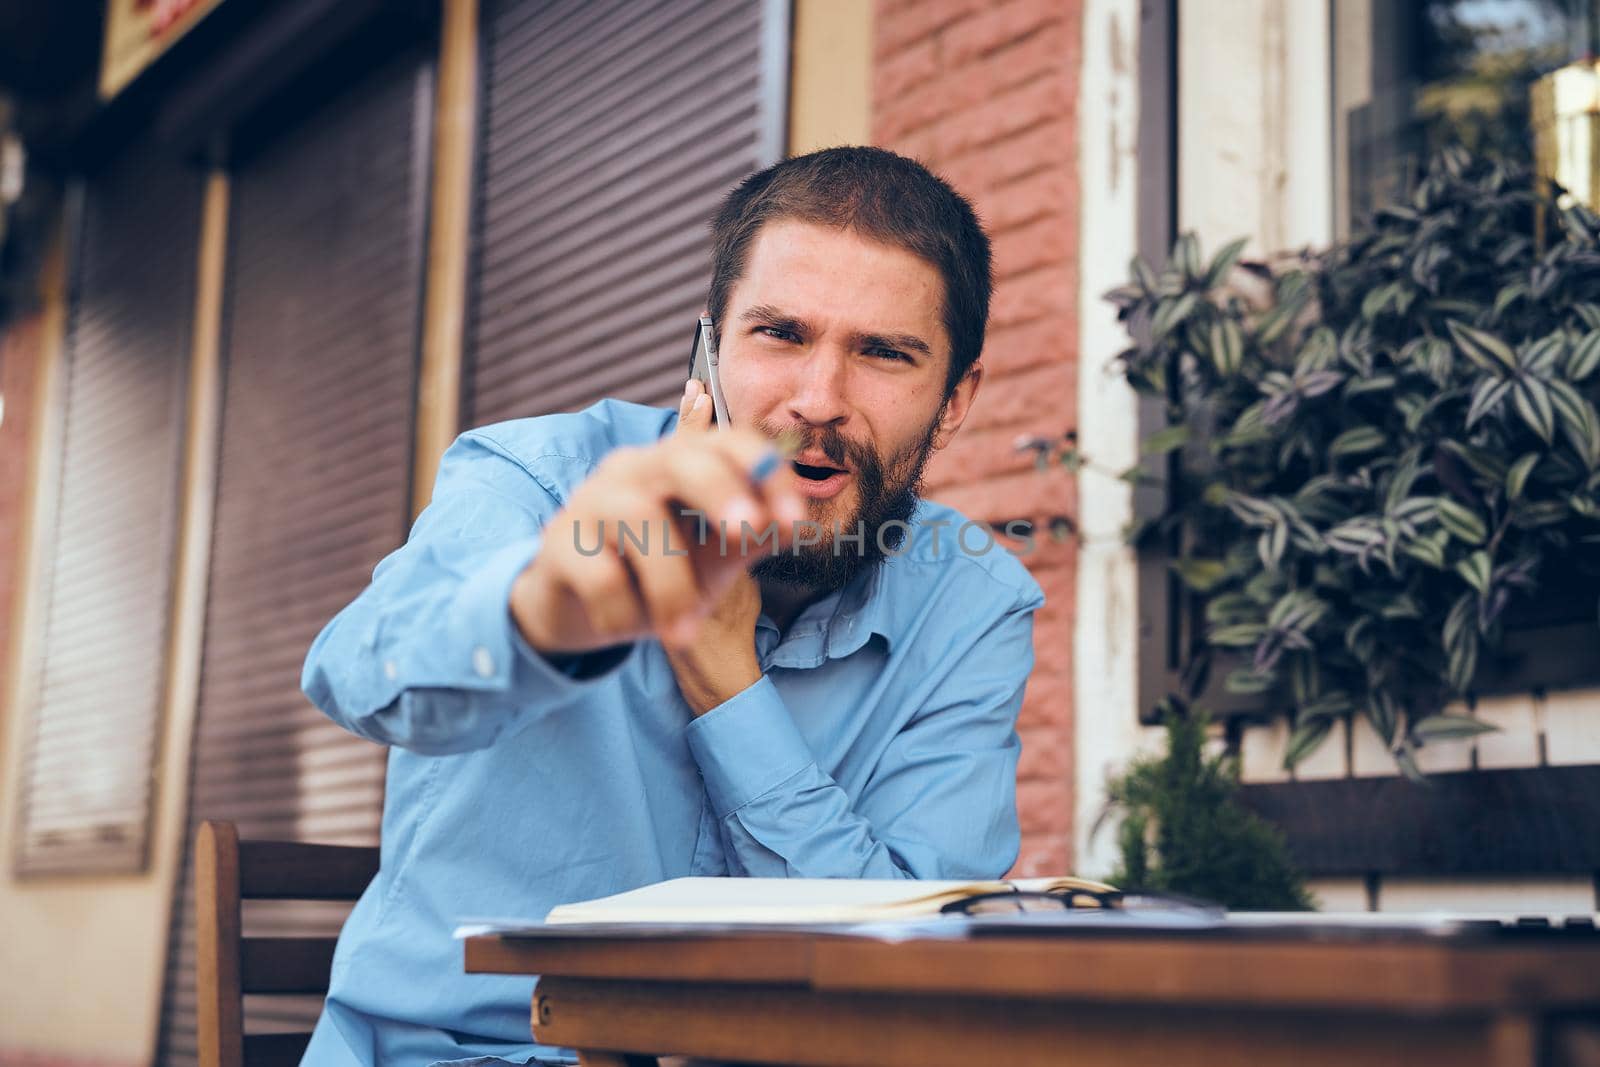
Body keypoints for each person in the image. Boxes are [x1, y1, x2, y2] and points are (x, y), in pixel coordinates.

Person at [300, 146, 1045, 1066]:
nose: (820, 401)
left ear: (955, 399)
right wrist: (546, 612)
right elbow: (357, 674)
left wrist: (727, 681)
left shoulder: (973, 604)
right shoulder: (543, 480)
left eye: (884, 353)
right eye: (780, 334)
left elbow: (910, 977)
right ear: (709, 349)